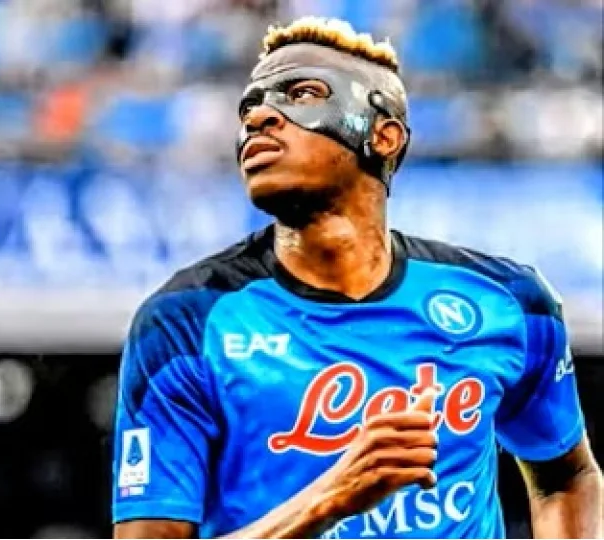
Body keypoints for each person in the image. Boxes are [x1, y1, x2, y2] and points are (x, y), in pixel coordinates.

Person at [110, 17, 603, 539]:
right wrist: (330, 498)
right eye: (249, 106)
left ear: (383, 136)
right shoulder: (184, 322)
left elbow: (567, 478)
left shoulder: (509, 303)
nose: (257, 116)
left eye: (301, 94)